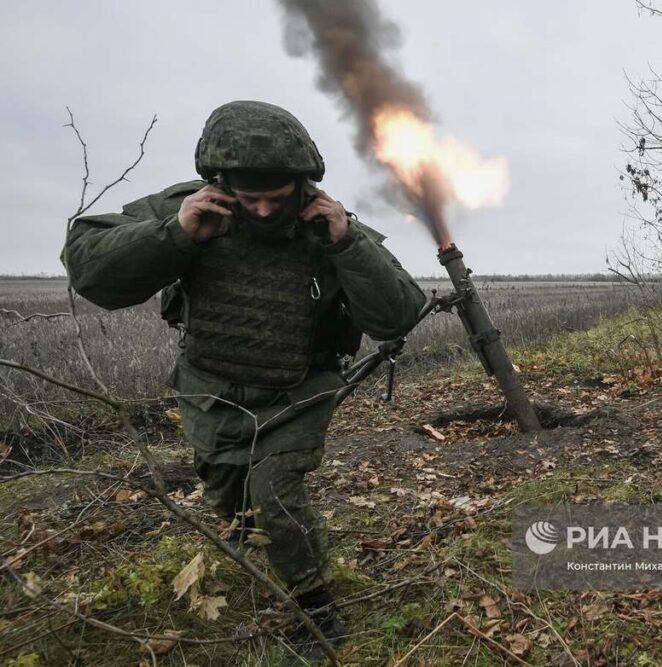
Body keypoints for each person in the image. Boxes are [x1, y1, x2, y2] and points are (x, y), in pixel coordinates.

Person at [62, 100, 426, 655]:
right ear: (219, 181)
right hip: (211, 389)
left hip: (299, 390)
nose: (259, 211)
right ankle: (248, 547)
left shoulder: (328, 221)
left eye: (275, 199)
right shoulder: (188, 205)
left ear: (302, 186)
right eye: (247, 198)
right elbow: (89, 266)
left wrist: (346, 243)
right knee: (231, 499)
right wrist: (176, 233)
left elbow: (398, 314)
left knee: (275, 496)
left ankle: (316, 609)